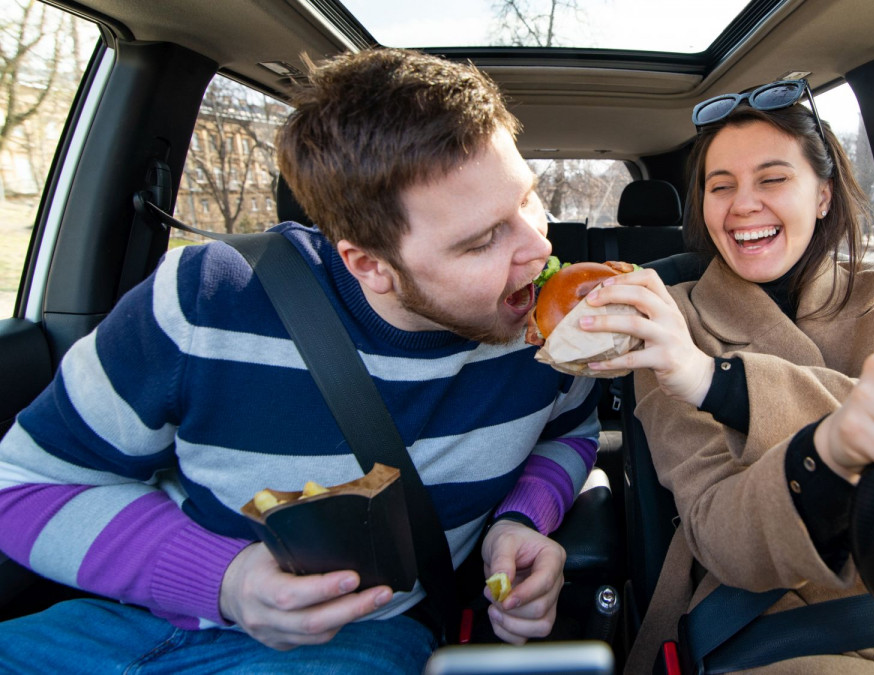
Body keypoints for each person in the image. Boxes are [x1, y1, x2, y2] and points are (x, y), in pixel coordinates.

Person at [0, 48, 600, 673]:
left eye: (528, 200)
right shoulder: (207, 298)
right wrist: (223, 578)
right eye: (482, 240)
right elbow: (21, 487)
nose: (540, 246)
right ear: (371, 265)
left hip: (358, 636)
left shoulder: (552, 333)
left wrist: (520, 519)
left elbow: (571, 434)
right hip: (118, 621)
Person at [580, 80, 874, 673]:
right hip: (772, 617)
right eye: (720, 186)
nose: (742, 205)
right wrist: (835, 437)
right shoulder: (667, 322)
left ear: (822, 195)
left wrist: (722, 384)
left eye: (773, 178)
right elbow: (718, 532)